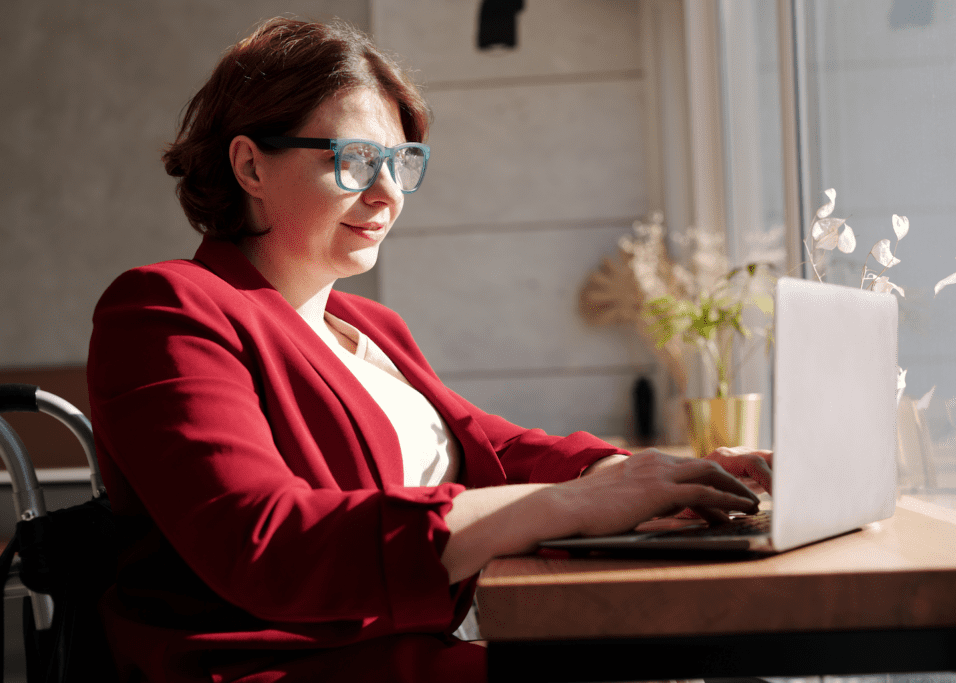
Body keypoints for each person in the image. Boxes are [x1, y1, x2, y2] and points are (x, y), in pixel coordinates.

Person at [86, 17, 772, 683]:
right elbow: (268, 543)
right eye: (354, 161)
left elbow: (495, 451)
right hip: (284, 667)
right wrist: (567, 504)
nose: (385, 193)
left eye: (400, 162)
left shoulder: (370, 326)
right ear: (249, 163)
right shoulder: (164, 308)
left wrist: (651, 476)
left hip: (400, 652)